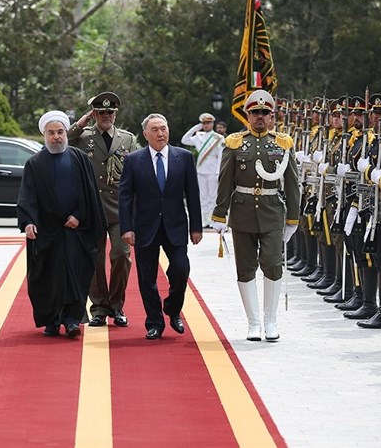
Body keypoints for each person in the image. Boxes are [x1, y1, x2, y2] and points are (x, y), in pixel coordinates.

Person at [211, 90, 300, 342]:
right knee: (245, 267)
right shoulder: (235, 142)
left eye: (265, 113)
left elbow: (293, 184)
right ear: (247, 115)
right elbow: (225, 180)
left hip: (272, 211)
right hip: (242, 210)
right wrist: (219, 214)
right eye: (255, 112)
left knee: (272, 264)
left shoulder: (283, 142)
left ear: (272, 116)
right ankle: (253, 323)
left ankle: (271, 321)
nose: (260, 117)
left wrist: (293, 218)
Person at [17, 110, 107, 338]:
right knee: (49, 278)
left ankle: (72, 320)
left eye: (59, 132)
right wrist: (28, 222)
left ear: (66, 133)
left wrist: (79, 215)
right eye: (51, 133)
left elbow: (89, 195)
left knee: (76, 276)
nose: (56, 137)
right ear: (44, 135)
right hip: (47, 233)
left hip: (76, 230)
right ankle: (52, 321)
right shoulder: (34, 164)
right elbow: (27, 197)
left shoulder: (79, 159)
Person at [118, 113, 203, 340]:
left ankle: (173, 309)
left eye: (163, 128)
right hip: (145, 227)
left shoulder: (183, 157)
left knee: (180, 269)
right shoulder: (134, 160)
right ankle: (154, 322)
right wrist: (126, 228)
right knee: (147, 278)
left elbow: (192, 193)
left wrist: (197, 227)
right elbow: (125, 196)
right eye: (154, 129)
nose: (160, 133)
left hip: (175, 225)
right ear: (145, 134)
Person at [68, 92, 137, 328]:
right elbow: (61, 141)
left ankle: (117, 306)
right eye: (101, 112)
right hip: (92, 209)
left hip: (120, 209)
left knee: (120, 255)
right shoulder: (83, 136)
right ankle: (99, 308)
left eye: (110, 112)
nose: (106, 116)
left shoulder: (127, 139)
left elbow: (136, 172)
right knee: (94, 260)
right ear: (94, 114)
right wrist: (80, 123)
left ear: (116, 114)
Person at [181, 112, 225, 227]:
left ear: (212, 124)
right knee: (203, 197)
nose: (206, 125)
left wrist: (217, 172)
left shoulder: (218, 138)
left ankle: (212, 219)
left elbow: (221, 155)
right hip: (201, 170)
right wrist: (196, 128)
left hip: (212, 170)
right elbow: (184, 140)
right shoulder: (198, 136)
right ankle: (204, 219)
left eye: (208, 123)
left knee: (212, 197)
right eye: (204, 123)